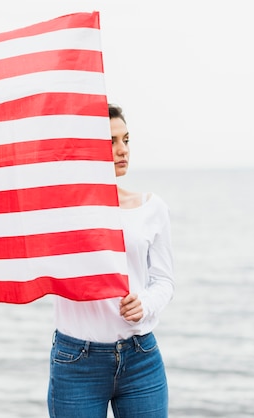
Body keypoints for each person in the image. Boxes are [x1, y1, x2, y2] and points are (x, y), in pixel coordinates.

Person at [47, 104, 175, 417]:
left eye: (126, 140)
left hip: (140, 358)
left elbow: (164, 281)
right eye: (111, 142)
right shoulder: (61, 212)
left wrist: (144, 304)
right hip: (77, 361)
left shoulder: (150, 208)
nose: (122, 150)